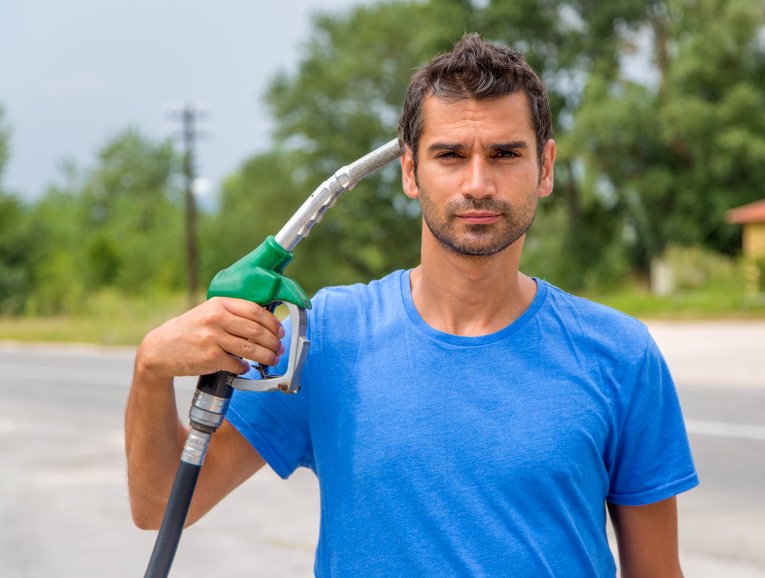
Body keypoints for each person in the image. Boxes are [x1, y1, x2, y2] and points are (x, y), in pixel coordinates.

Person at [126, 33, 698, 577]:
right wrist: (151, 368)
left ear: (544, 168)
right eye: (450, 154)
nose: (478, 183)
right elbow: (159, 505)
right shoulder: (324, 340)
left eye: (505, 153)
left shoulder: (620, 355)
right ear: (409, 170)